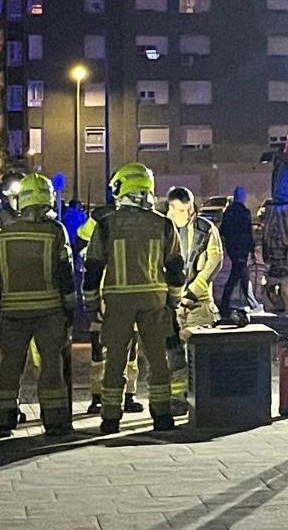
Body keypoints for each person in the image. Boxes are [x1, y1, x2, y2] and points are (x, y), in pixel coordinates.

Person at [83, 163, 184, 434]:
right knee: (157, 359)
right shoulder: (163, 224)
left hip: (118, 301)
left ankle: (111, 418)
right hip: (154, 299)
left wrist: (92, 303)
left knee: (115, 360)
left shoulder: (105, 225)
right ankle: (162, 416)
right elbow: (176, 268)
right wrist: (173, 302)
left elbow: (93, 268)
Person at [0, 173, 76, 437]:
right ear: (48, 199)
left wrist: (1, 303)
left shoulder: (5, 234)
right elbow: (65, 272)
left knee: (9, 366)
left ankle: (4, 418)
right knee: (51, 366)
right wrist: (70, 308)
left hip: (12, 312)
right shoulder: (55, 231)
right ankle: (55, 420)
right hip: (49, 311)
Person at [78, 193, 141, 415]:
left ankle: (99, 398)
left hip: (106, 294)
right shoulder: (140, 219)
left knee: (100, 351)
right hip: (128, 294)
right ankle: (128, 396)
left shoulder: (101, 218)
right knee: (130, 349)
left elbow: (81, 240)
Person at [164, 187, 223, 415]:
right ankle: (178, 400)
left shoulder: (206, 229)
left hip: (199, 303)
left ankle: (203, 400)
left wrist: (192, 293)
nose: (187, 214)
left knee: (199, 355)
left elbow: (214, 262)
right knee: (174, 355)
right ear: (170, 208)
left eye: (189, 209)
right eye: (181, 210)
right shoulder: (162, 228)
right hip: (171, 303)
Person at [261, 170, 288, 313]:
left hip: (275, 259)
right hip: (285, 261)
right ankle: (287, 305)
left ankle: (275, 303)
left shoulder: (273, 211)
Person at [219, 187, 256, 317]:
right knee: (236, 276)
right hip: (241, 249)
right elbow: (247, 232)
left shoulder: (228, 211)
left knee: (242, 274)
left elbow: (222, 230)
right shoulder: (244, 212)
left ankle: (252, 303)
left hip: (232, 248)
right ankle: (225, 304)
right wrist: (251, 248)